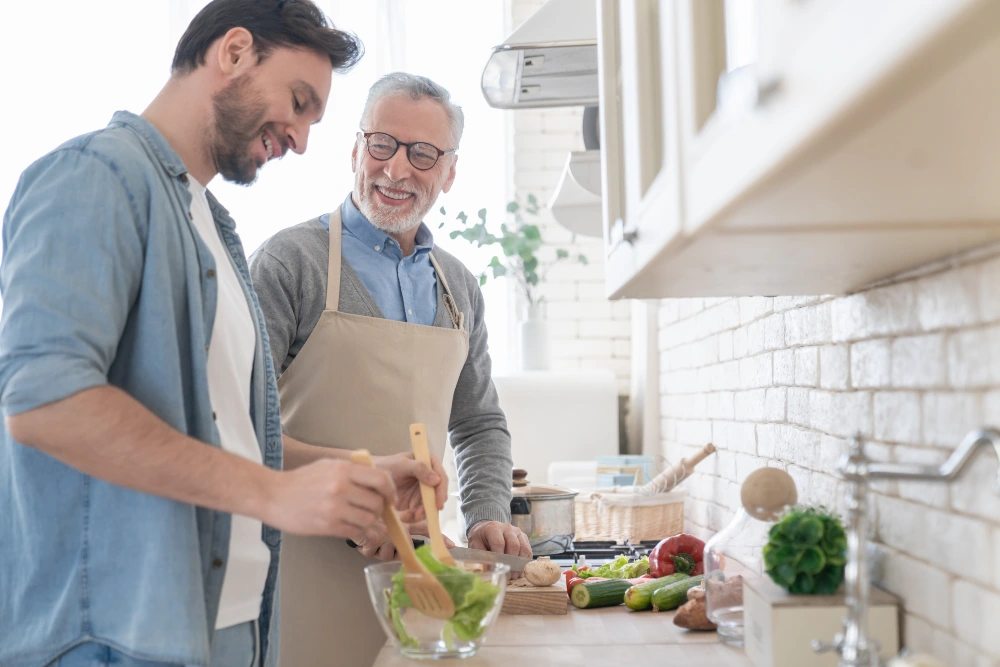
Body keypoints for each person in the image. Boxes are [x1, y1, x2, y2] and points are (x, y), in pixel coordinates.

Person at [0, 3, 444, 666]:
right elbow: (43, 402)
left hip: (227, 625)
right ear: (233, 52)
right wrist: (275, 496)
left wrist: (359, 469)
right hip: (116, 638)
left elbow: (228, 436)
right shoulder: (96, 176)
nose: (299, 139)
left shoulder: (213, 226)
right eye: (298, 102)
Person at [249, 71, 532, 666]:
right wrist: (354, 511)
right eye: (383, 144)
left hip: (416, 573)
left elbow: (479, 422)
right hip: (299, 571)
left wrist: (487, 517)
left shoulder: (458, 285)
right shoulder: (287, 263)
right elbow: (243, 427)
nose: (398, 169)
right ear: (355, 150)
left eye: (423, 153)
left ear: (450, 172)